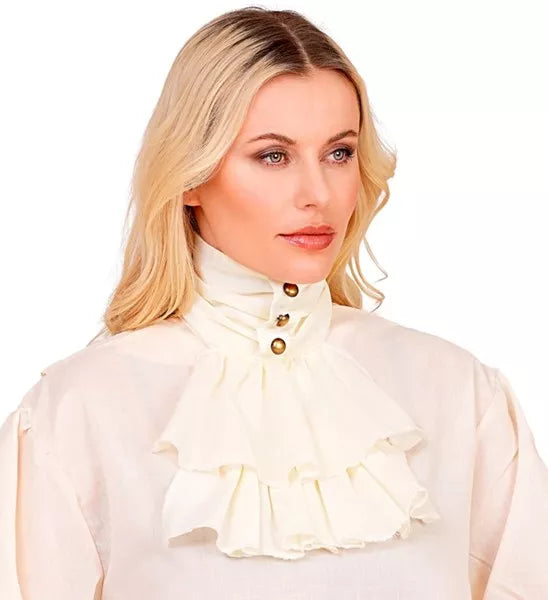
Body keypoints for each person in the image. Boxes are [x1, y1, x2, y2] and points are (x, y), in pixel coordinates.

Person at [1, 6, 547, 599]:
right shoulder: (76, 413)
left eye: (339, 153)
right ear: (190, 176)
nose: (318, 194)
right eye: (273, 156)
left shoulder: (459, 393)